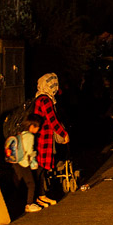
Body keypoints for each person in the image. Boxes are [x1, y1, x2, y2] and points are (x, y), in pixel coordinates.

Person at [33, 73, 70, 207]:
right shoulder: (46, 100)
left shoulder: (39, 97)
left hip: (41, 136)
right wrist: (63, 134)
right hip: (44, 137)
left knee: (41, 167)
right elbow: (52, 119)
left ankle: (41, 195)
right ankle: (40, 195)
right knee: (41, 167)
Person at [12, 114, 43, 213]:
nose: (38, 129)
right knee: (31, 184)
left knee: (20, 184)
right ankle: (29, 204)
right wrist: (34, 163)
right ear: (32, 126)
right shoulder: (30, 136)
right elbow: (29, 153)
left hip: (16, 162)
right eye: (37, 127)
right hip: (24, 163)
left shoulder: (21, 134)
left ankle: (18, 205)